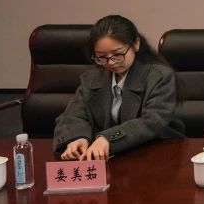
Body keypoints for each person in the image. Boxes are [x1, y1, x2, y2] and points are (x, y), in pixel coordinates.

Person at [54, 15, 184, 160]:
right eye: (101, 57)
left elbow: (153, 121)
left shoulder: (159, 76)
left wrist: (108, 139)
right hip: (111, 158)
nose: (111, 62)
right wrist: (77, 138)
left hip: (155, 154)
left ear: (136, 44)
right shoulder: (91, 79)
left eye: (117, 54)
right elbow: (73, 115)